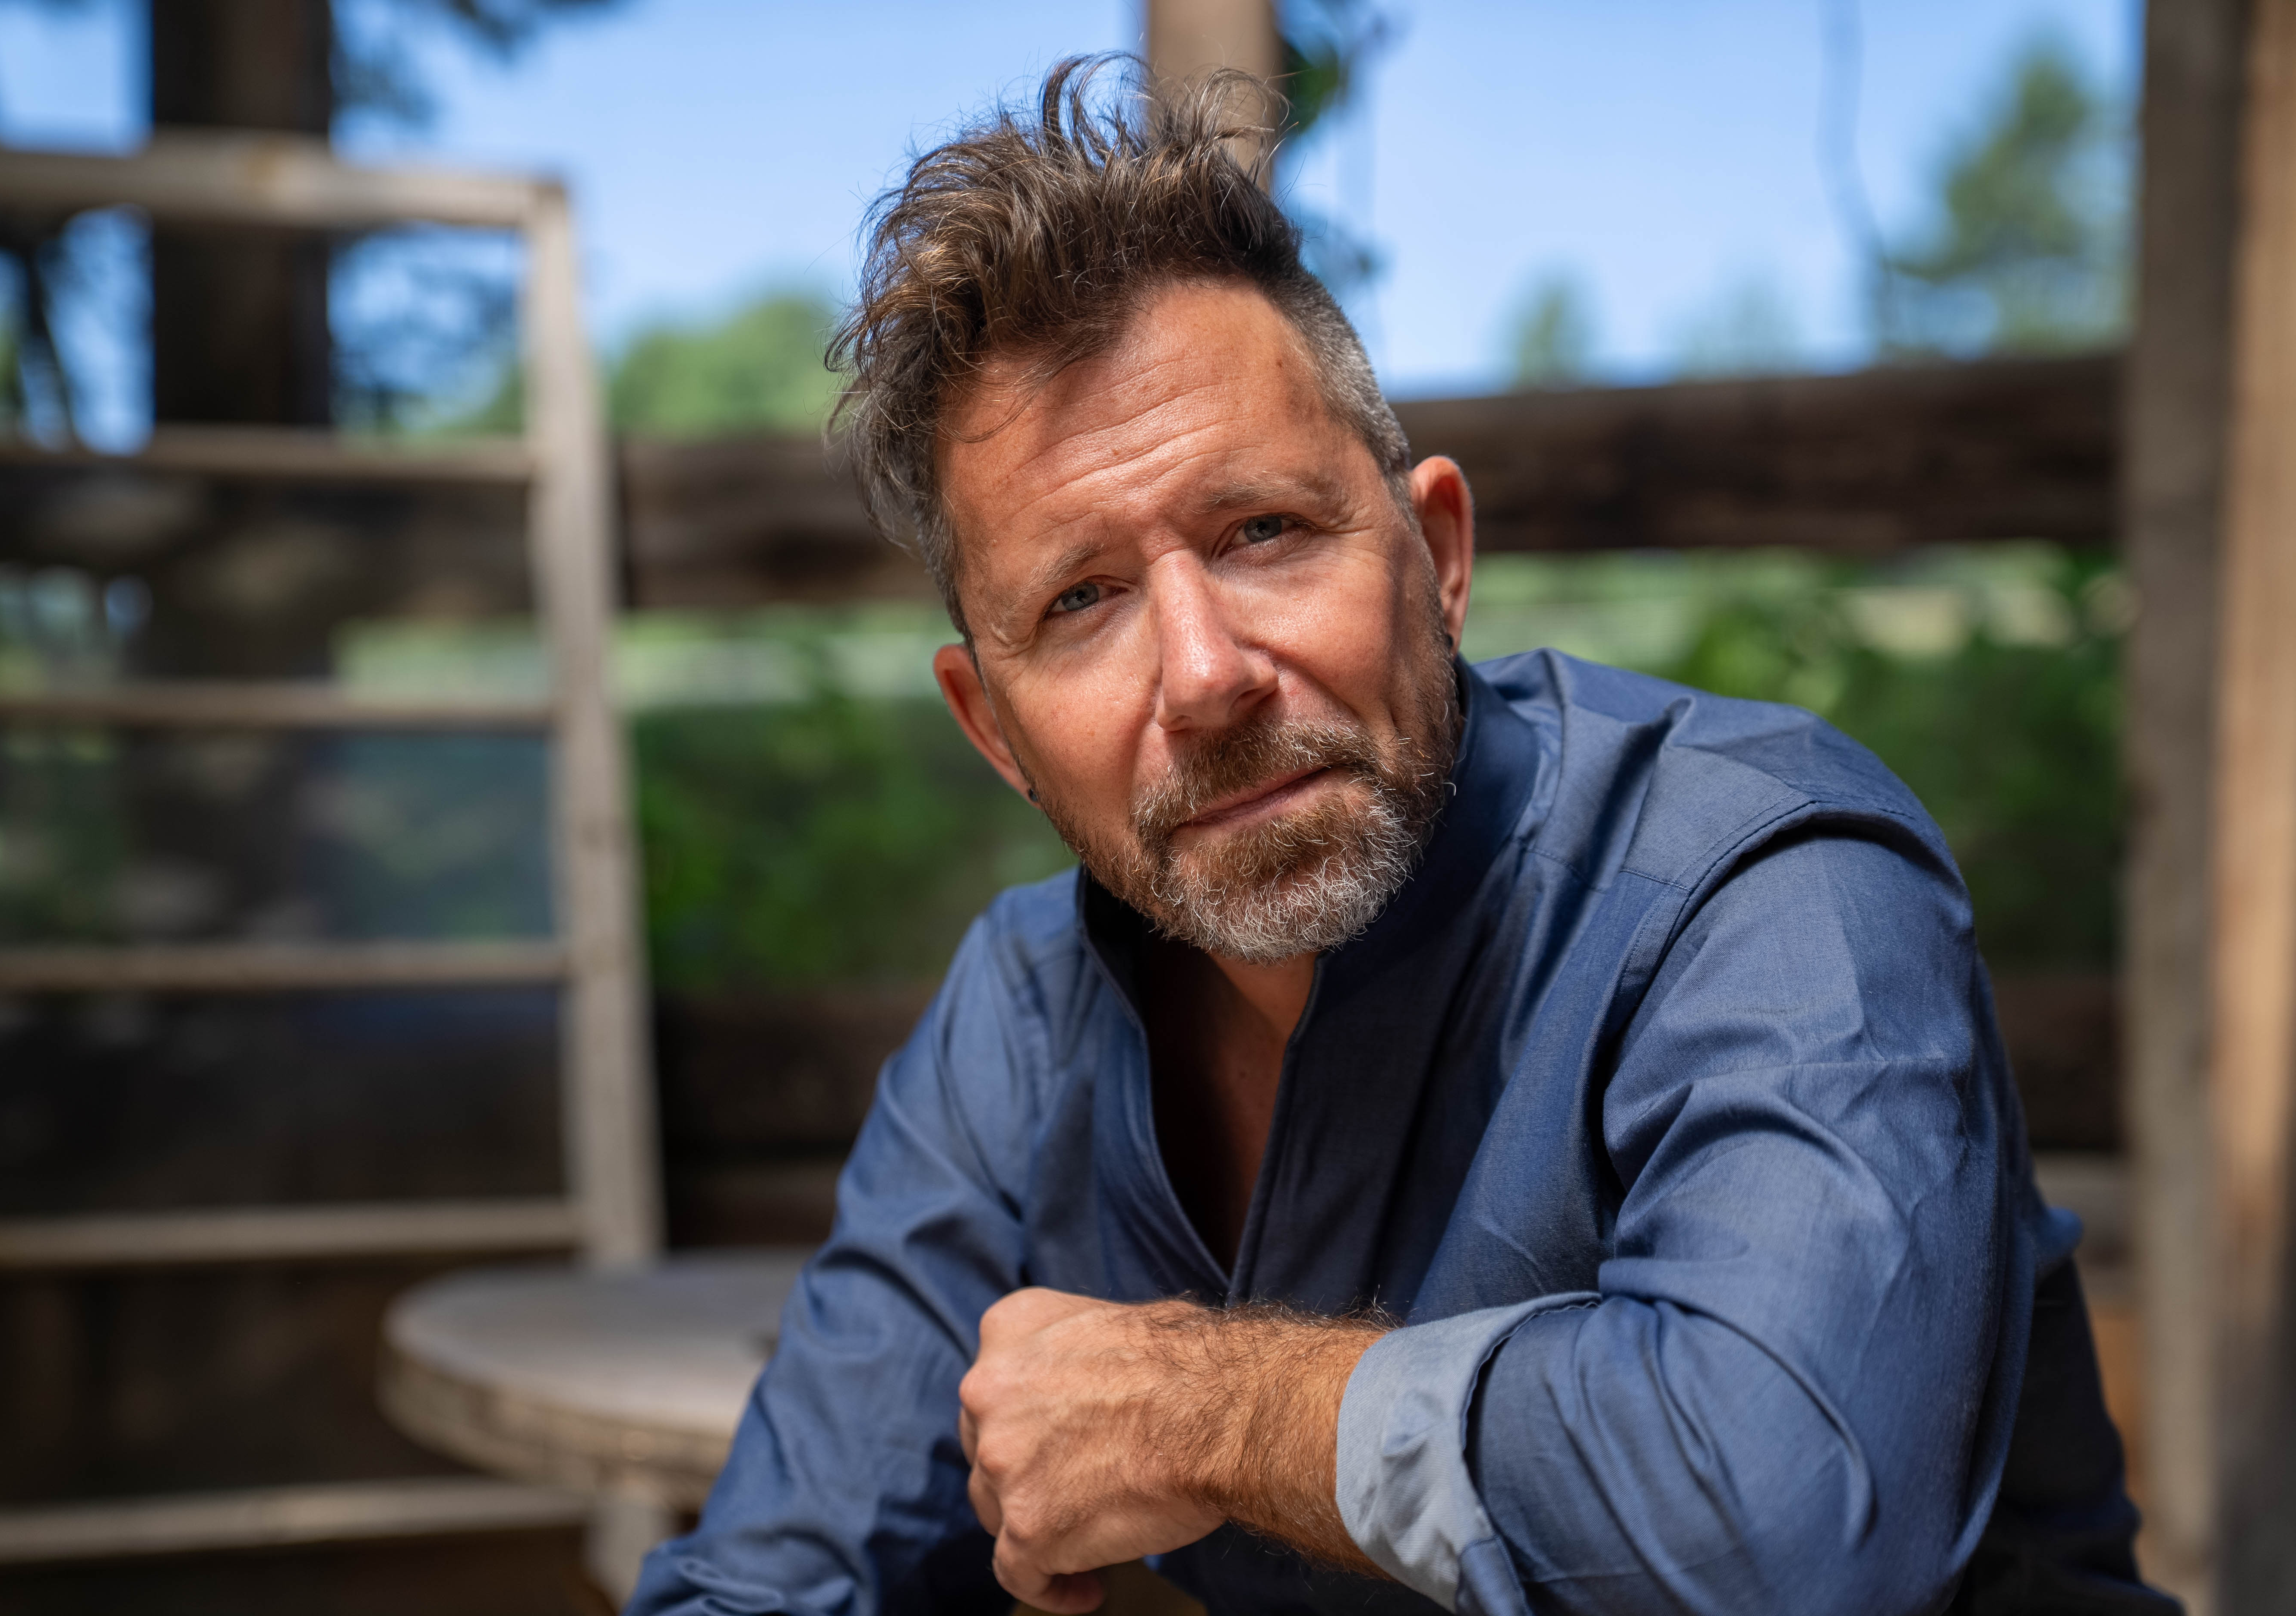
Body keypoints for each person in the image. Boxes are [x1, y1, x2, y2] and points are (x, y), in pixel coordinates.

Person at [626, 60, 2170, 1616]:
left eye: (1264, 532)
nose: (1207, 677)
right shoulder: (1025, 1018)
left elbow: (1777, 1523)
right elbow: (766, 1578)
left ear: (1436, 557)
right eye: (1081, 601)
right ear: (995, 733)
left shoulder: (1766, 882)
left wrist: (1198, 1414)